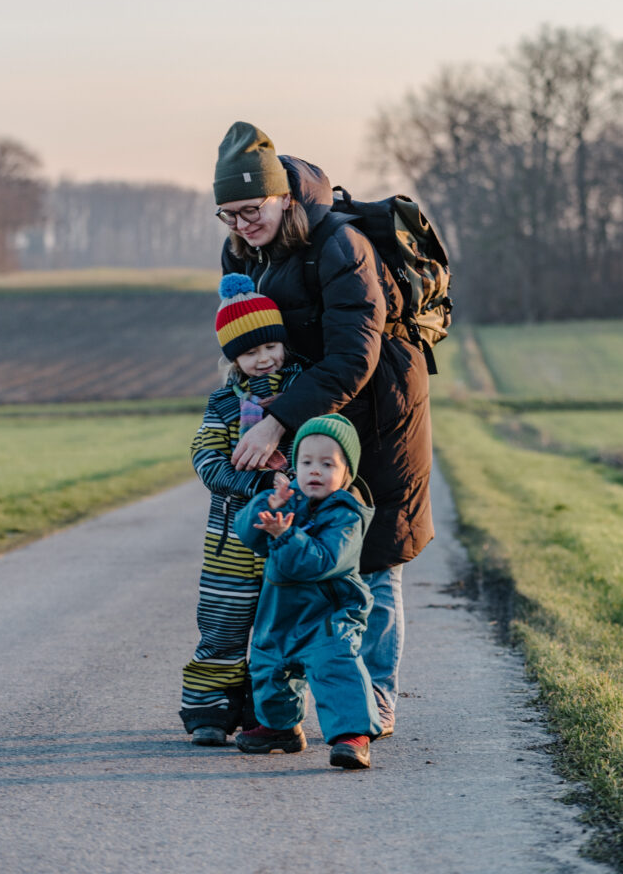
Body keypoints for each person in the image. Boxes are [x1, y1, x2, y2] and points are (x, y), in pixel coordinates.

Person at [213, 121, 435, 737]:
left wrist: (278, 421)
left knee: (373, 554)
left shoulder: (342, 244)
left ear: (283, 195)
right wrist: (246, 406)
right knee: (292, 546)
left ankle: (376, 698)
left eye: (250, 210)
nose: (240, 225)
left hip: (380, 411)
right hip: (308, 414)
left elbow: (353, 356)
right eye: (226, 215)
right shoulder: (243, 251)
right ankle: (280, 699)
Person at [179, 273, 303, 745]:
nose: (263, 358)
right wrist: (255, 482)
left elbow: (315, 449)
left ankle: (270, 714)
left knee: (281, 633)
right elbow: (207, 459)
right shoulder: (224, 404)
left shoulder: (301, 394)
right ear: (233, 359)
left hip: (285, 537)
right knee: (222, 626)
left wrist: (290, 480)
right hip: (231, 541)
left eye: (269, 346)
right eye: (249, 353)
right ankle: (208, 711)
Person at [234, 414, 381, 769]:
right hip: (281, 612)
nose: (315, 471)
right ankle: (280, 728)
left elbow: (320, 562)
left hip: (328, 614)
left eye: (327, 464)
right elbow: (248, 534)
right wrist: (265, 508)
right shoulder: (288, 499)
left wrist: (284, 535)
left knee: (335, 667)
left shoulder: (346, 515)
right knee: (270, 667)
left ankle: (352, 735)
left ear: (347, 473)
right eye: (306, 462)